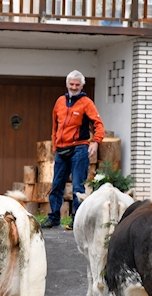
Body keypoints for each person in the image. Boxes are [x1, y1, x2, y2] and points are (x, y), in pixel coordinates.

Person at [43, 70, 105, 230]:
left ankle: (77, 219)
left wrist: (96, 142)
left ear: (82, 85)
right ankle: (54, 217)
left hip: (79, 147)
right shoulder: (60, 102)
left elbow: (98, 124)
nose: (74, 87)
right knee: (57, 184)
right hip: (61, 149)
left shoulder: (86, 102)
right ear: (67, 84)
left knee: (78, 186)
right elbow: (54, 125)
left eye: (77, 85)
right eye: (71, 84)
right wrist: (54, 145)